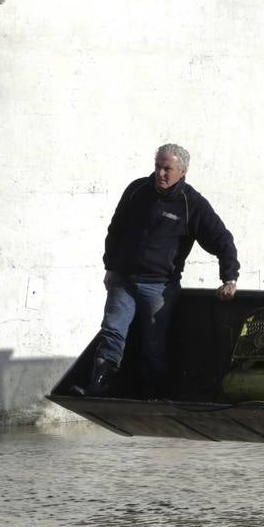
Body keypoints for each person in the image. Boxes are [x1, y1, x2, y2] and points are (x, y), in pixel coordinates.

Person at [74, 143, 239, 397]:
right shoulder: (137, 190)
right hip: (124, 280)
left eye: (167, 169)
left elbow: (222, 240)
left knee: (153, 346)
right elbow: (115, 229)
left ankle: (155, 395)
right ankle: (100, 385)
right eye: (158, 167)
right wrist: (110, 265)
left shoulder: (191, 203)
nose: (160, 174)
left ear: (182, 172)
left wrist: (229, 277)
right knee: (112, 331)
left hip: (160, 286)